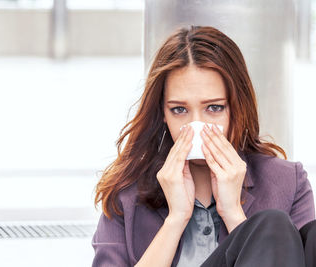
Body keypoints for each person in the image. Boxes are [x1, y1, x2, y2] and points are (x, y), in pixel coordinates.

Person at [91, 25, 316, 267]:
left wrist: (233, 213)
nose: (197, 125)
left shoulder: (287, 182)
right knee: (273, 224)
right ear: (163, 114)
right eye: (179, 110)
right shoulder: (126, 194)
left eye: (214, 108)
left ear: (236, 107)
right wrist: (176, 219)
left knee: (277, 226)